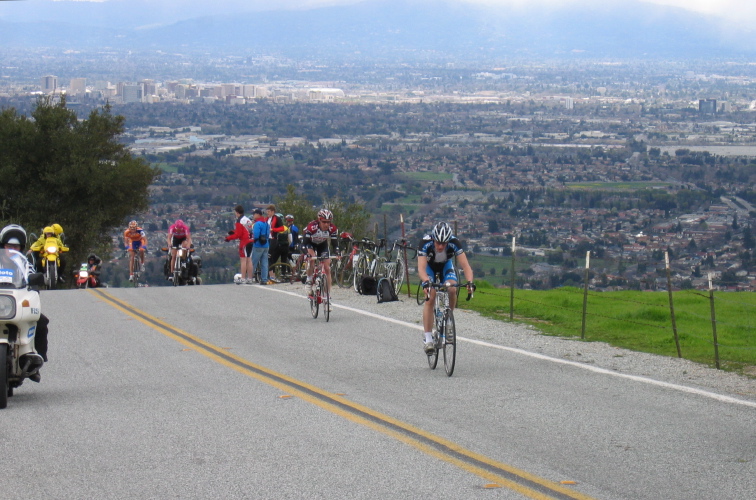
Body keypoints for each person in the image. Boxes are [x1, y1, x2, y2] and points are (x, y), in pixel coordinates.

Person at [417, 221, 475, 354]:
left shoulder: (454, 243)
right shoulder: (425, 243)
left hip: (445, 266)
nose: (441, 246)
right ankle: (428, 339)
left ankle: (448, 320)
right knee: (430, 296)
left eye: (444, 243)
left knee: (452, 288)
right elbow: (421, 268)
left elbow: (466, 266)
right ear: (433, 239)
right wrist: (426, 281)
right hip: (429, 268)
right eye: (438, 243)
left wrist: (470, 282)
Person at [0, 224, 50, 371]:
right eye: (9, 246)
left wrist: (35, 283)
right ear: (3, 245)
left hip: (16, 302)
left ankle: (36, 359)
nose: (12, 250)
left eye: (16, 247)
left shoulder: (26, 263)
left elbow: (33, 279)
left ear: (21, 248)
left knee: (41, 322)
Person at [302, 209, 339, 310]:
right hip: (310, 244)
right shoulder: (312, 227)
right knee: (312, 259)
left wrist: (337, 253)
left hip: (322, 245)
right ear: (319, 220)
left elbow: (335, 245)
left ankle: (327, 297)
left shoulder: (332, 228)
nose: (326, 224)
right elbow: (303, 245)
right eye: (324, 222)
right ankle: (309, 280)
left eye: (328, 222)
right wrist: (307, 254)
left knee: (327, 268)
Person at [225, 205, 253, 284]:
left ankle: (243, 278)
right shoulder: (248, 220)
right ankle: (250, 278)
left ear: (237, 212)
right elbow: (246, 231)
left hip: (244, 242)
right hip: (251, 240)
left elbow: (238, 235)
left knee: (243, 260)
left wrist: (228, 238)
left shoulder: (239, 221)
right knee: (249, 260)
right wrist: (234, 231)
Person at [266, 205, 286, 282]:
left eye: (269, 212)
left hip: (274, 239)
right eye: (267, 212)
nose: (267, 213)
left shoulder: (277, 218)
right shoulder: (267, 219)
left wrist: (273, 229)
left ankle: (272, 275)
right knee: (269, 257)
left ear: (273, 212)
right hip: (267, 239)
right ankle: (271, 274)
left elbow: (282, 228)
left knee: (269, 256)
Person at [250, 208, 270, 285]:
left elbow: (256, 234)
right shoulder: (266, 223)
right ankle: (264, 279)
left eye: (254, 214)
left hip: (258, 245)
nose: (253, 215)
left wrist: (253, 240)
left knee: (253, 262)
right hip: (266, 245)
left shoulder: (257, 224)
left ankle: (250, 278)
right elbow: (268, 234)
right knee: (264, 263)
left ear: (258, 214)